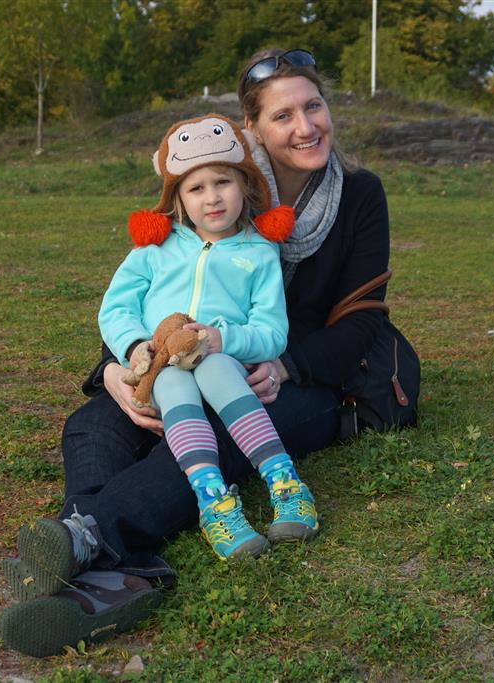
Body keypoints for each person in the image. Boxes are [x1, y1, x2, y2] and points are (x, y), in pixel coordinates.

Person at [0, 47, 410, 657]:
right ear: (253, 130)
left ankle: (92, 541)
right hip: (185, 363)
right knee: (94, 425)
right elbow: (156, 296)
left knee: (216, 438)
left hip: (302, 376)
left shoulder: (357, 194)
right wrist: (115, 370)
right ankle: (113, 571)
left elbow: (362, 318)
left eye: (314, 106)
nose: (305, 127)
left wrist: (285, 366)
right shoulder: (214, 181)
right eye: (283, 116)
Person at [98, 114, 319, 562]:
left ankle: (285, 484)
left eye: (223, 182)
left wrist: (223, 339)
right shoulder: (154, 249)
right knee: (172, 383)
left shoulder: (259, 251)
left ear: (245, 185)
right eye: (196, 188)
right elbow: (115, 308)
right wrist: (135, 346)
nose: (212, 197)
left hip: (223, 363)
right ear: (178, 198)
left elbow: (272, 332)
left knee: (215, 368)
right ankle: (213, 502)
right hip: (162, 363)